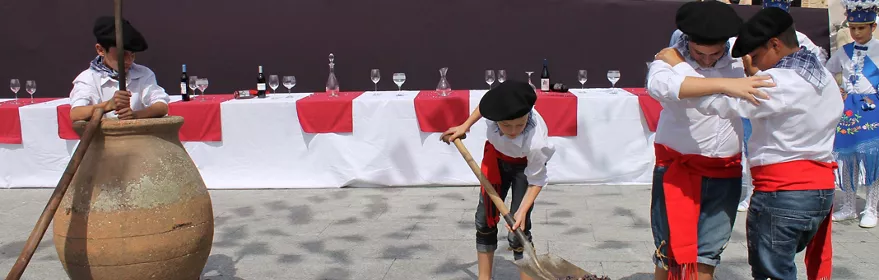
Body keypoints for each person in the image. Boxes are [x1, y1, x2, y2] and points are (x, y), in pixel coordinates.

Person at [663, 8, 840, 279]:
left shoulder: (778, 81)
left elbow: (715, 103)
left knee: (771, 273)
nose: (755, 65)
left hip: (783, 193)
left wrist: (679, 66)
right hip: (820, 192)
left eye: (756, 56)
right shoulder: (822, 75)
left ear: (775, 44)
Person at [645, 1, 770, 279]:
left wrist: (742, 77)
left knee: (708, 254)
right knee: (668, 250)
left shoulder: (740, 60)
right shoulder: (667, 59)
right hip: (678, 168)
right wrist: (727, 85)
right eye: (700, 54)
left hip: (724, 170)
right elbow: (664, 87)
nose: (708, 60)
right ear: (688, 43)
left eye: (715, 53)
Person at [442, 81, 554, 280]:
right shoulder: (494, 110)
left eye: (520, 124)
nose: (513, 130)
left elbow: (537, 179)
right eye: (506, 125)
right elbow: (484, 108)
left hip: (524, 169)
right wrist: (465, 126)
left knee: (519, 228)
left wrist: (521, 211)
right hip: (497, 162)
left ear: (529, 113)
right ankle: (484, 278)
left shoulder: (537, 141)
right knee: (484, 219)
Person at [825, 0, 879, 229]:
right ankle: (848, 205)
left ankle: (871, 208)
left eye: (862, 28)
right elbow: (827, 72)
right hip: (848, 110)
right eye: (853, 28)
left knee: (872, 158)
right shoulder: (843, 52)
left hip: (872, 109)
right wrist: (836, 89)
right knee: (847, 158)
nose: (856, 32)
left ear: (873, 27)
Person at [69, 16, 169, 122]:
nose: (129, 61)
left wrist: (136, 115)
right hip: (103, 138)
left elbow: (161, 106)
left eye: (132, 55)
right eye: (122, 55)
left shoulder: (143, 74)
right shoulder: (88, 78)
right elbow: (76, 114)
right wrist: (108, 105)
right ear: (101, 50)